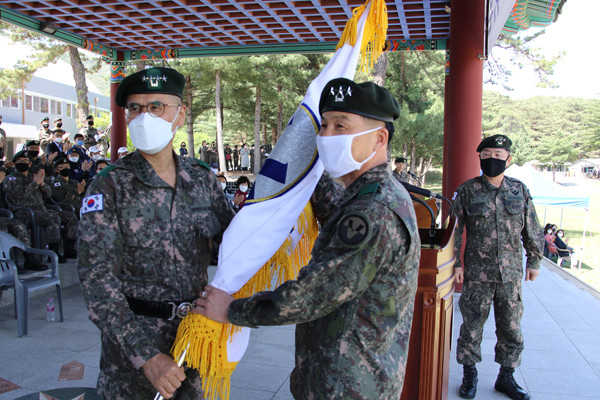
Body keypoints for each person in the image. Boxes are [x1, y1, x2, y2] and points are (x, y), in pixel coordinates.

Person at [195, 78, 421, 399]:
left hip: (347, 385)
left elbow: (310, 296)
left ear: (378, 139)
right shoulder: (364, 194)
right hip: (342, 375)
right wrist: (299, 175)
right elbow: (334, 215)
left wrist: (232, 309)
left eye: (340, 127)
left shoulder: (373, 209)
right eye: (324, 126)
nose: (326, 137)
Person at [77, 66, 236, 400]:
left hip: (196, 339)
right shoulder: (109, 185)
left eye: (156, 106)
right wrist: (145, 356)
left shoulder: (203, 180)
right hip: (133, 352)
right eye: (135, 108)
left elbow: (235, 246)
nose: (143, 116)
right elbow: (96, 279)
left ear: (180, 115)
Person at [452, 134, 544, 400]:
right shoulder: (468, 190)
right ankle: (470, 375)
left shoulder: (519, 190)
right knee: (471, 326)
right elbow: (454, 231)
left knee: (511, 327)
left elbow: (532, 227)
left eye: (498, 155)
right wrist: (456, 263)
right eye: (487, 154)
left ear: (508, 159)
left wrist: (534, 259)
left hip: (511, 273)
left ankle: (506, 377)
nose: (492, 159)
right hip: (477, 273)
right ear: (479, 157)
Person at [3, 150, 78, 263]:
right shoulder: (10, 179)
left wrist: (42, 184)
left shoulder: (33, 176)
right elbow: (19, 196)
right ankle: (53, 251)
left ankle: (69, 248)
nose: (23, 163)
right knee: (53, 218)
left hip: (41, 210)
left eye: (25, 161)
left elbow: (48, 194)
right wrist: (35, 183)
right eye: (20, 161)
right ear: (15, 163)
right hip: (25, 212)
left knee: (69, 216)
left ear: (29, 164)